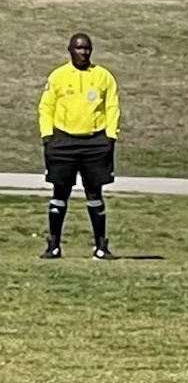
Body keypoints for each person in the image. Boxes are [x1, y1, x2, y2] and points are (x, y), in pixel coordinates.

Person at [37, 32, 121, 260]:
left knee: (95, 193)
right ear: (70, 49)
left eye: (87, 48)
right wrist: (47, 135)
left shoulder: (103, 76)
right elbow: (46, 107)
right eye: (78, 48)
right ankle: (53, 245)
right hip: (63, 140)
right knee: (60, 192)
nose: (83, 52)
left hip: (95, 141)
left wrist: (110, 136)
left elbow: (112, 106)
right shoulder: (58, 76)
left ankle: (101, 246)